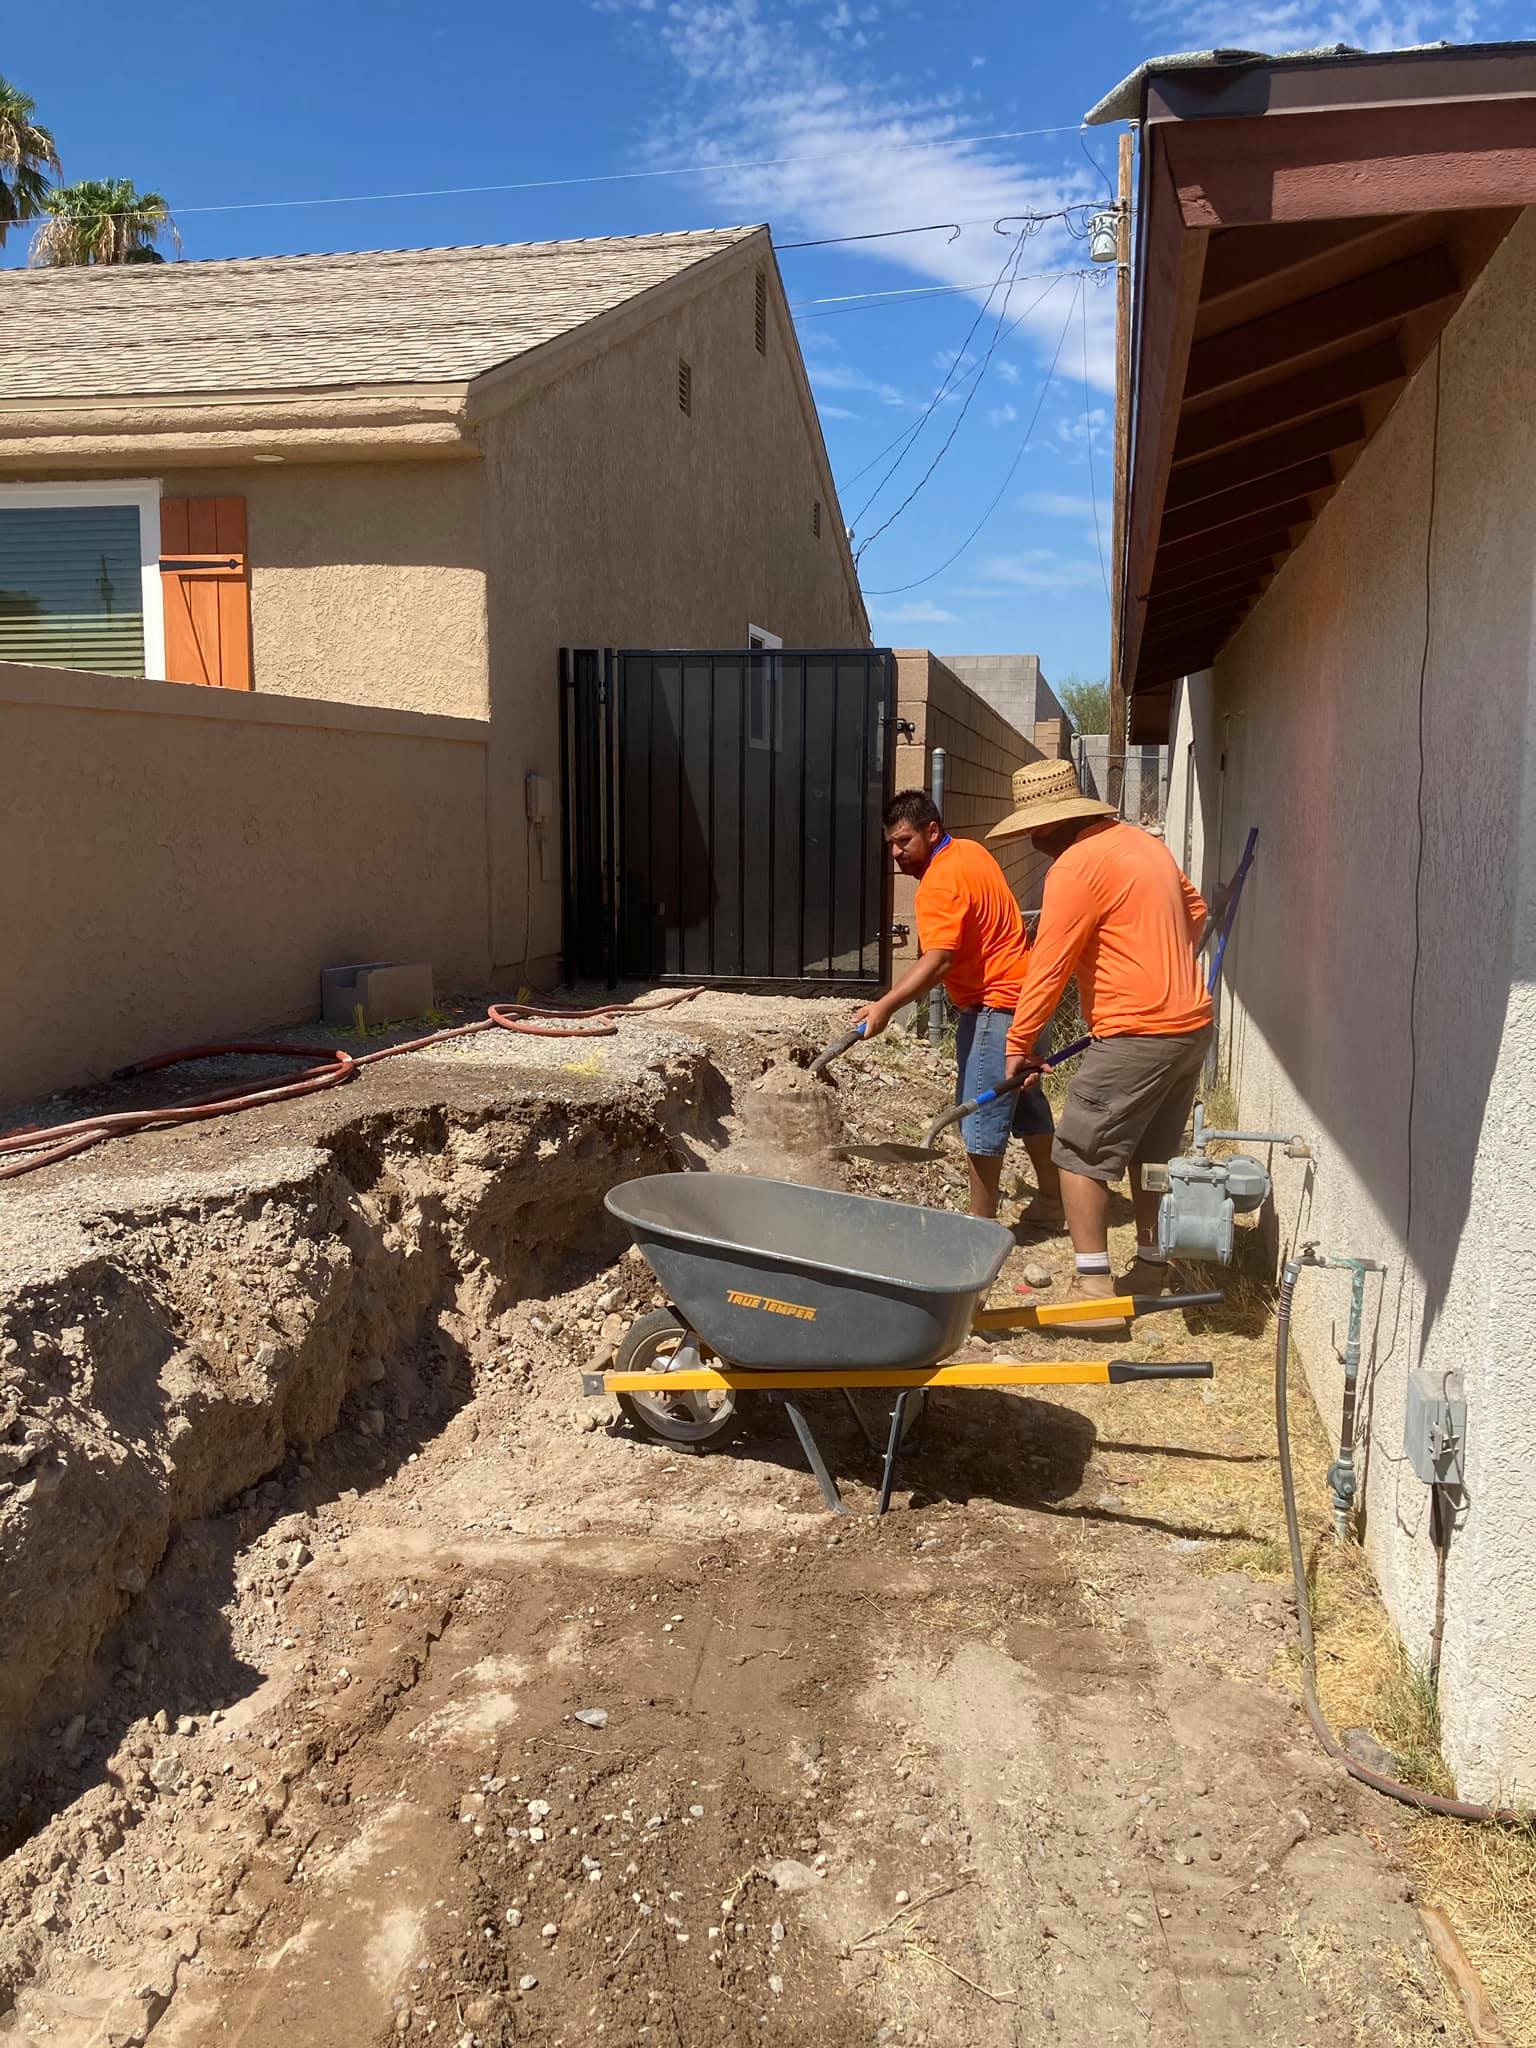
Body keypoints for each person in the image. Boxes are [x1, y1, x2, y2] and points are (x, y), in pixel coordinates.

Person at [990, 758, 1212, 1324]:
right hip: (1189, 1026)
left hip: (1136, 1032)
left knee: (1078, 1152)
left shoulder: (1076, 867)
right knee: (1152, 1153)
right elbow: (1196, 912)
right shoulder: (1144, 845)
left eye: (1032, 832)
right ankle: (1152, 1265)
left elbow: (1050, 965)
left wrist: (1020, 1045)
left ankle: (1093, 1292)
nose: (1033, 844)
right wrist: (1155, 961)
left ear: (1048, 825)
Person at [851, 789, 1062, 1225]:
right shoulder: (971, 852)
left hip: (994, 1009)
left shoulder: (939, 882)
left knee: (981, 1121)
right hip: (1028, 1000)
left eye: (904, 841)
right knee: (1027, 1103)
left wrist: (884, 1006)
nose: (896, 853)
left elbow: (939, 959)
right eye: (891, 843)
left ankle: (977, 1229)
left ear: (932, 831)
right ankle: (1053, 1200)